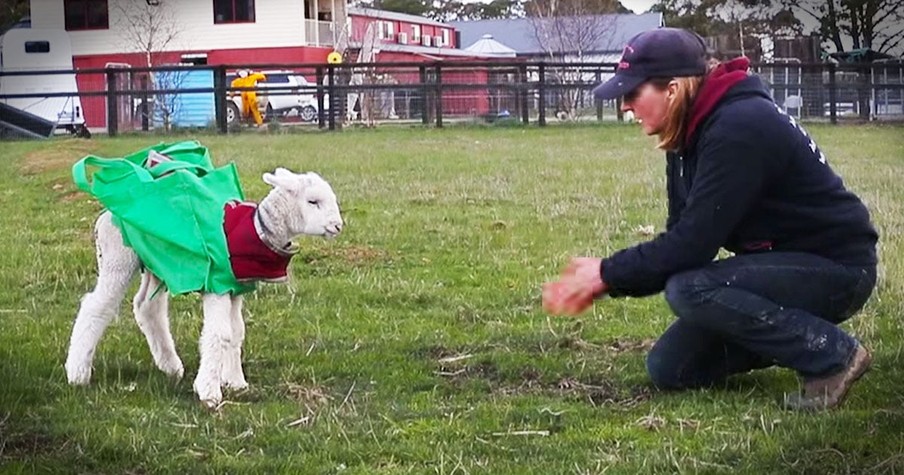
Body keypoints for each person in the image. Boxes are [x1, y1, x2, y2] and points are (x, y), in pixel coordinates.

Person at [541, 28, 879, 411]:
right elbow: (681, 237)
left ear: (671, 89)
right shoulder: (687, 131)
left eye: (633, 93)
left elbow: (692, 246)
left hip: (838, 271)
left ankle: (832, 355)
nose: (625, 106)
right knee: (671, 368)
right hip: (781, 268)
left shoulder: (739, 126)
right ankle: (801, 340)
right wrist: (611, 278)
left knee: (689, 288)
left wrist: (606, 273)